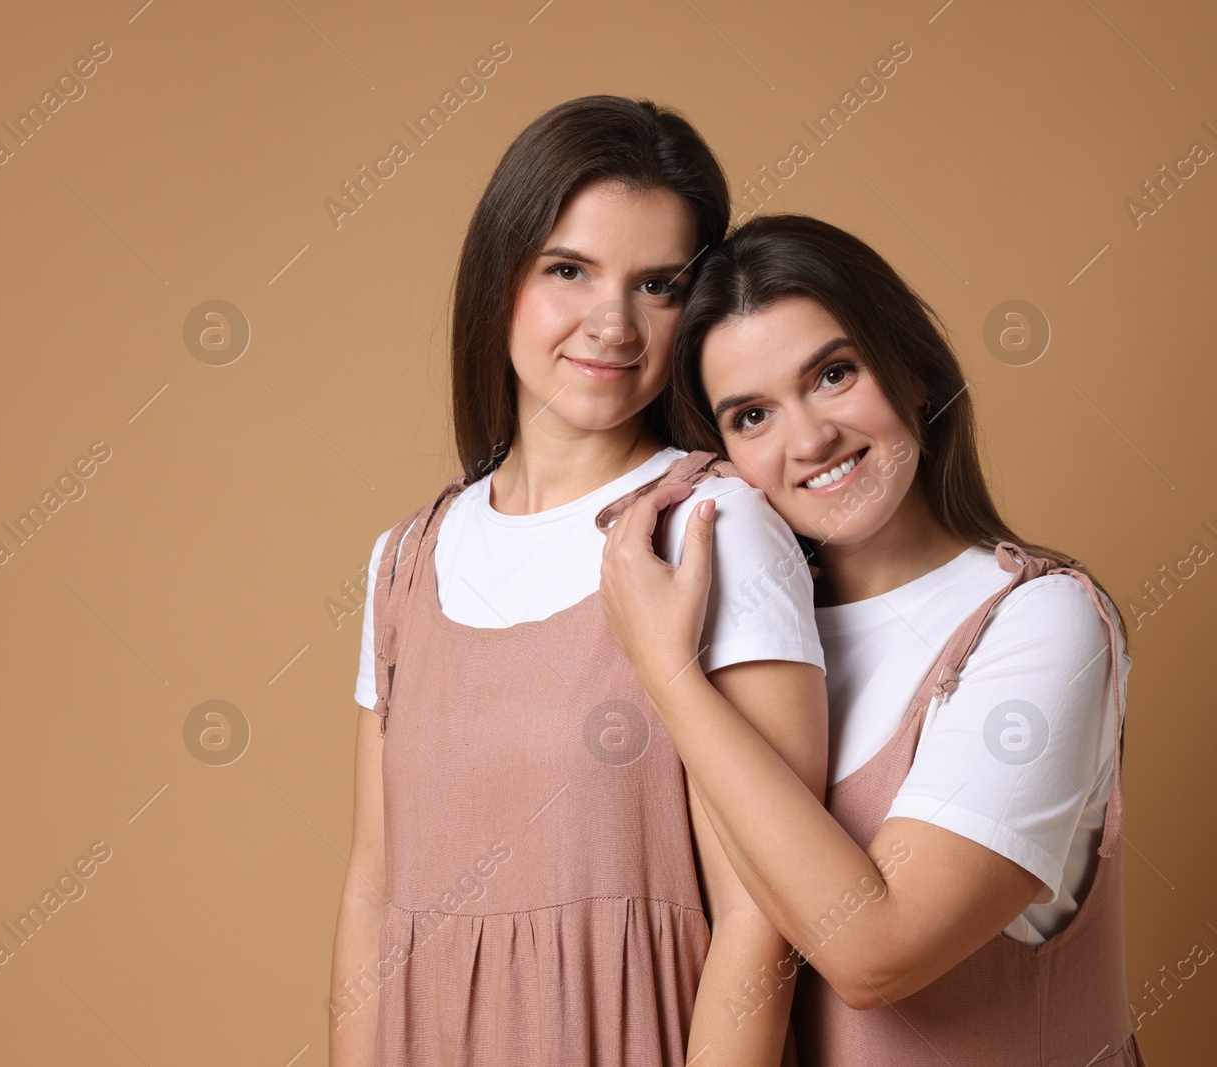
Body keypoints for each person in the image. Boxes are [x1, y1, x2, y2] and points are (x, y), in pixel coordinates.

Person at [326, 97, 832, 1066]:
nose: (613, 323)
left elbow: (763, 921)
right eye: (569, 269)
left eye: (656, 285)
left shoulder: (713, 528)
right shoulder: (404, 559)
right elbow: (369, 886)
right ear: (500, 274)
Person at [598, 213, 1143, 1065]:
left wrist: (667, 673)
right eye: (750, 416)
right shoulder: (752, 652)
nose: (810, 439)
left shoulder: (1043, 623)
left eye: (834, 373)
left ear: (915, 370)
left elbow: (873, 950)